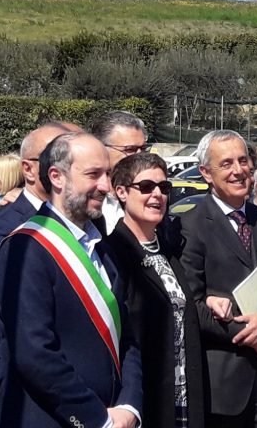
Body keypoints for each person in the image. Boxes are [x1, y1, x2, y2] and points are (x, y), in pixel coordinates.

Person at [0, 132, 143, 428]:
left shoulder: (102, 249)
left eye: (108, 174)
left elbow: (127, 337)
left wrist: (130, 405)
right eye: (93, 175)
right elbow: (34, 352)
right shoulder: (26, 248)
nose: (105, 186)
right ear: (57, 177)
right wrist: (97, 419)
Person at [0, 120, 79, 424]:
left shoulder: (88, 225)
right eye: (56, 158)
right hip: (19, 396)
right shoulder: (3, 225)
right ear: (28, 169)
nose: (66, 167)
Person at [179, 129, 257, 428]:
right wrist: (255, 337)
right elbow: (192, 305)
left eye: (243, 160)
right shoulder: (189, 227)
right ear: (206, 173)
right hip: (222, 387)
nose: (238, 170)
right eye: (227, 163)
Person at [108, 152, 205, 428]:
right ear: (121, 192)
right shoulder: (111, 253)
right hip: (143, 398)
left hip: (183, 394)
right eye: (146, 187)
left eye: (164, 188)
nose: (158, 195)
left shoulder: (169, 251)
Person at [91, 110, 151, 231]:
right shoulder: (85, 197)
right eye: (130, 149)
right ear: (101, 148)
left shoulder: (152, 194)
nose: (140, 156)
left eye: (143, 149)